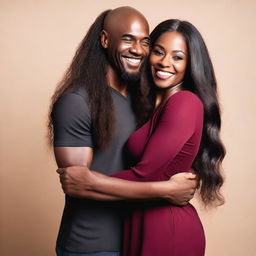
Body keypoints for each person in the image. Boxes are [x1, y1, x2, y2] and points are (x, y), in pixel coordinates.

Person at [58, 19, 225, 256]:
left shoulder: (185, 103)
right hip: (137, 225)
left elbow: (146, 174)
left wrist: (89, 182)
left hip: (167, 229)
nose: (165, 62)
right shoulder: (150, 105)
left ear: (191, 64)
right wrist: (167, 189)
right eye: (158, 51)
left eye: (177, 57)